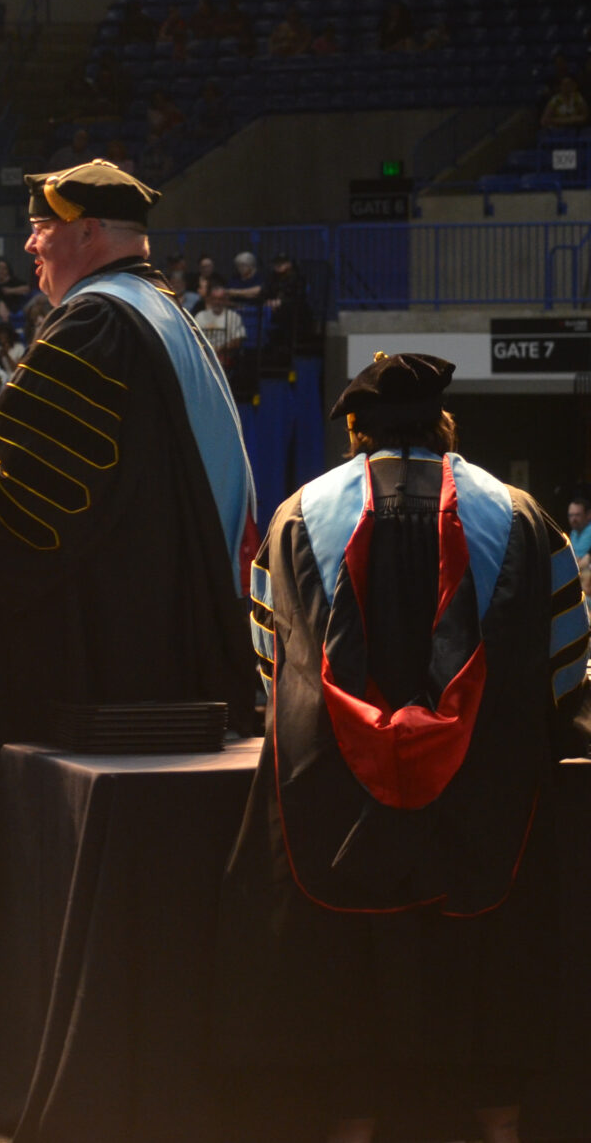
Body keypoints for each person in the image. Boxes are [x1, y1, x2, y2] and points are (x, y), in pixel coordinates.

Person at [213, 354, 591, 1143]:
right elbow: (564, 668)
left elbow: (272, 667)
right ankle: (501, 1127)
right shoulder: (522, 516)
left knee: (352, 971)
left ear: (355, 431)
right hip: (485, 802)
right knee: (485, 970)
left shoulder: (295, 517)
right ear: (444, 424)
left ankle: (354, 1126)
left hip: (339, 811)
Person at [0, 160, 257, 948]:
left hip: (100, 669)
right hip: (173, 646)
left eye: (41, 228)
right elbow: (107, 492)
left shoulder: (95, 323)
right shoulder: (171, 318)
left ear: (87, 232)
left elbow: (38, 503)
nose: (29, 244)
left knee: (70, 916)